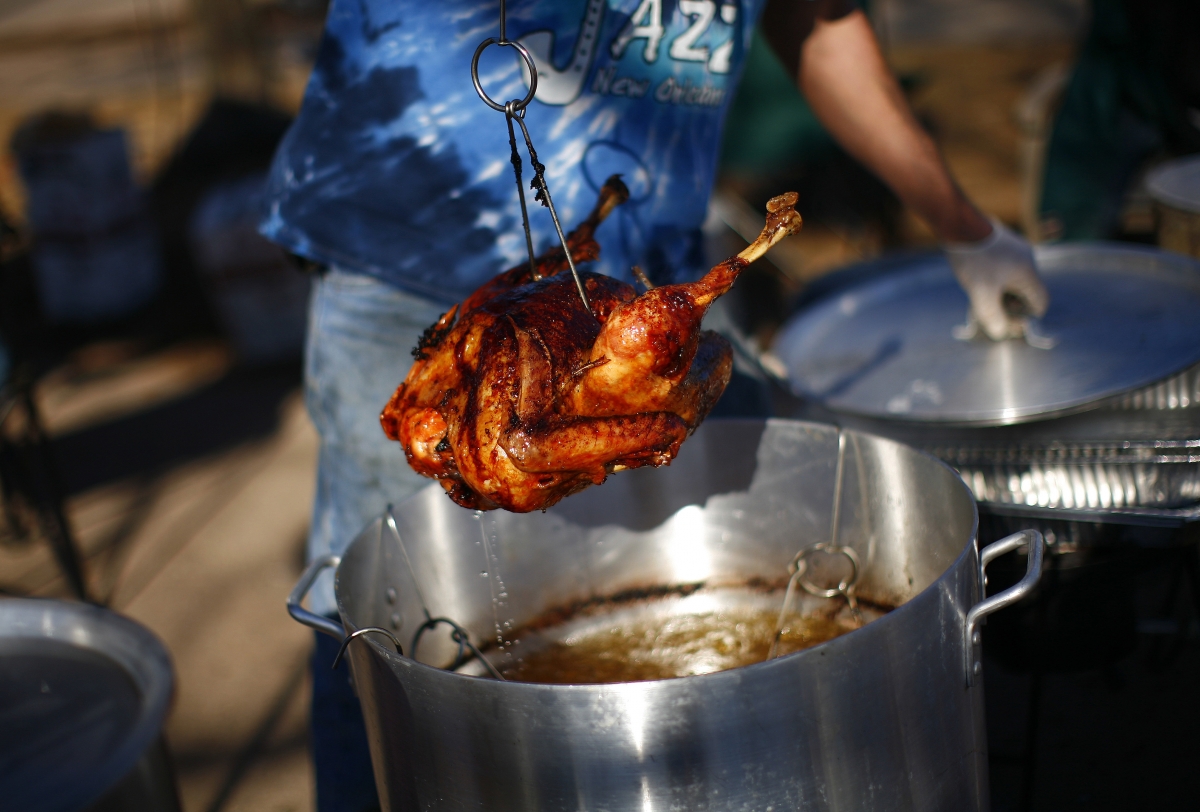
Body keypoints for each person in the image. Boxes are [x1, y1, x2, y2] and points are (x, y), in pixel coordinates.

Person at [261, 2, 1047, 809]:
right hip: (403, 251)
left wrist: (962, 224)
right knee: (377, 649)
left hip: (635, 281)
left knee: (751, 568)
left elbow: (816, 20)